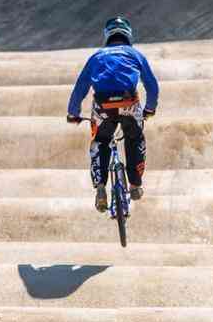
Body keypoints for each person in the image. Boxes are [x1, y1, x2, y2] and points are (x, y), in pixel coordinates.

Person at [66, 17, 159, 212]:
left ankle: (100, 187)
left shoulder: (97, 56)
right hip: (129, 103)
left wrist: (73, 113)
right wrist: (149, 108)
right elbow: (151, 85)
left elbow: (80, 88)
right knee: (134, 138)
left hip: (103, 106)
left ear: (107, 36)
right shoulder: (135, 54)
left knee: (100, 140)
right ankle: (135, 185)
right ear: (128, 35)